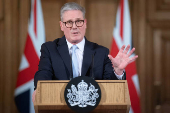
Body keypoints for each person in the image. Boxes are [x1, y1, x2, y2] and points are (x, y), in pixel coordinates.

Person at [32, 2, 138, 102]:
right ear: (61, 25)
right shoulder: (50, 49)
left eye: (78, 21)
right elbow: (43, 73)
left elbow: (110, 86)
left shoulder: (101, 52)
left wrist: (118, 71)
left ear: (85, 23)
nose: (74, 26)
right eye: (69, 22)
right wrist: (40, 89)